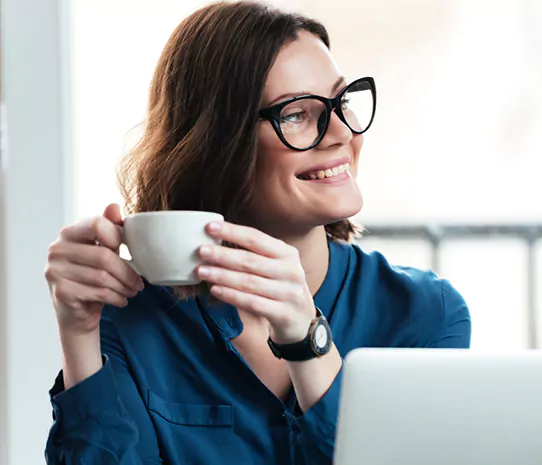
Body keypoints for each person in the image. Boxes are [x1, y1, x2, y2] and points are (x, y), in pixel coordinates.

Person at [42, 2, 472, 464]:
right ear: (215, 144)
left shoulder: (426, 316)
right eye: (295, 115)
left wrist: (309, 342)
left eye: (341, 102)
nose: (341, 133)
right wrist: (79, 334)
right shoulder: (128, 318)